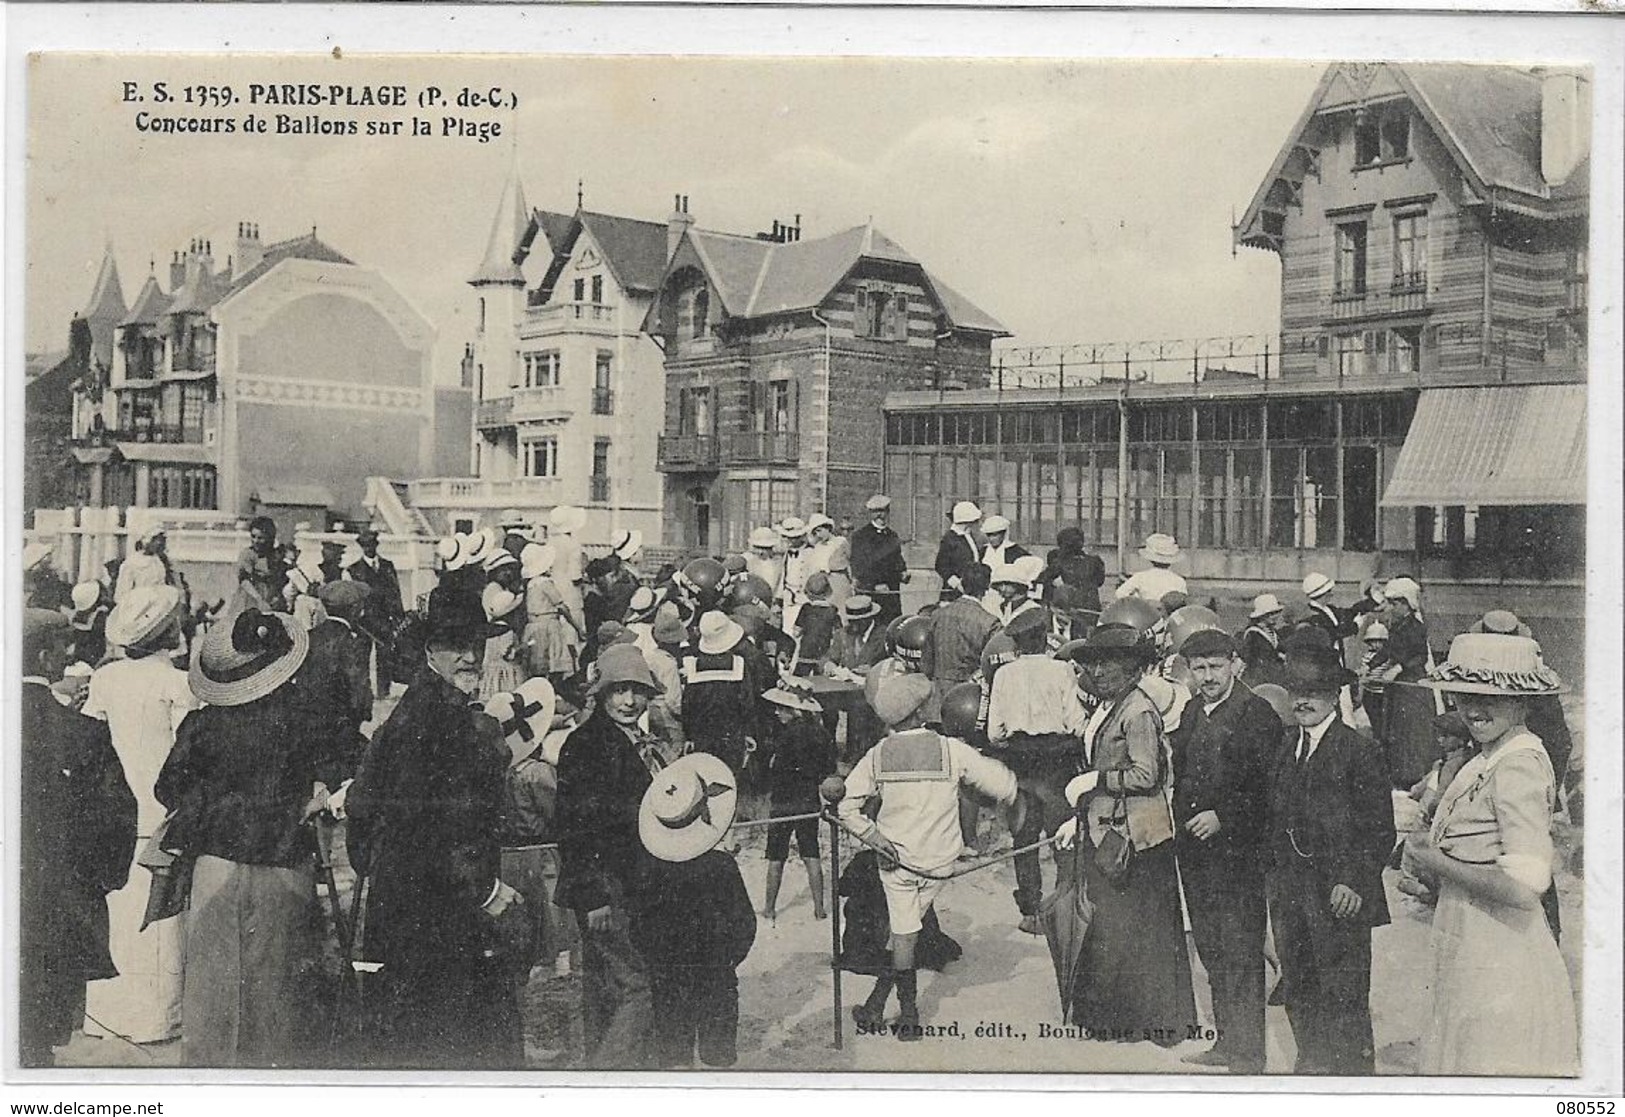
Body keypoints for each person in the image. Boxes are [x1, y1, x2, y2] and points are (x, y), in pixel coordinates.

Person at [344, 587, 526, 1069]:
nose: (470, 656)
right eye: (453, 645)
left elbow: (366, 817)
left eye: (476, 643)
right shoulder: (430, 719)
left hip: (422, 903)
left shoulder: (436, 708)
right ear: (428, 650)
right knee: (447, 1040)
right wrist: (485, 890)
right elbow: (420, 826)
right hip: (434, 910)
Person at [157, 607, 347, 1067]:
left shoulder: (202, 725)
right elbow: (342, 773)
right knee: (278, 984)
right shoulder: (306, 720)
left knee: (212, 981)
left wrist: (215, 803)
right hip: (284, 862)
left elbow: (167, 788)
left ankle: (208, 1080)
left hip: (216, 865)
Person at [1405, 635, 1577, 1075]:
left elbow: (1524, 888)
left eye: (1492, 698)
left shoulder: (1518, 763)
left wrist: (1435, 862)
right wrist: (1433, 885)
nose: (1475, 709)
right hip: (1473, 939)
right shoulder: (1489, 756)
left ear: (1522, 701)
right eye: (1466, 695)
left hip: (1501, 954)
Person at [838, 672, 1021, 1040]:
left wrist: (874, 837)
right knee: (904, 933)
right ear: (921, 711)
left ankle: (908, 1015)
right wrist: (1016, 797)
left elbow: (846, 806)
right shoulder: (950, 749)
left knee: (904, 933)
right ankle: (878, 1007)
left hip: (897, 860)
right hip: (940, 861)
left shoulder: (877, 756)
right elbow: (1001, 784)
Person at [1054, 625, 1197, 1047]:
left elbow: (1146, 774)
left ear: (1132, 668)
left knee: (1138, 932)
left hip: (1137, 837)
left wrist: (1095, 780)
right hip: (1111, 828)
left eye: (1108, 663)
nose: (1097, 670)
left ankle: (1150, 1022)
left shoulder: (1137, 711)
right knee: (1116, 930)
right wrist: (1080, 811)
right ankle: (1116, 1018)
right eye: (1094, 662)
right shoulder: (1114, 704)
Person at [1264, 646, 1394, 1075]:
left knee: (1343, 992)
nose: (1303, 700)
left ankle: (1352, 1082)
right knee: (1299, 985)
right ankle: (1312, 1067)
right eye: (1296, 690)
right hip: (1291, 892)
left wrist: (1352, 882)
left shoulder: (1359, 751)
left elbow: (1379, 831)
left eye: (1315, 691)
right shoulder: (1287, 746)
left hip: (1340, 897)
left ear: (1335, 693)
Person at [79, 586, 199, 1046]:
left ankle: (106, 1014)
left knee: (118, 911)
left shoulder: (107, 680)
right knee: (159, 919)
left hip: (116, 811)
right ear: (170, 632)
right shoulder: (177, 683)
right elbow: (184, 757)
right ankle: (155, 1019)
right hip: (161, 812)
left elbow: (95, 740)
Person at [19, 610, 138, 1068]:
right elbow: (115, 822)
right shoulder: (83, 733)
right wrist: (94, 884)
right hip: (55, 906)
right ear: (48, 655)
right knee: (37, 1037)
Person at [1168, 629, 1279, 1074]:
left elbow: (1270, 789)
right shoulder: (1195, 710)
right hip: (1197, 855)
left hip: (1238, 856)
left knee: (1241, 952)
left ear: (1235, 664)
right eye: (1199, 668)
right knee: (1213, 950)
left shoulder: (1258, 714)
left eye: (1216, 666)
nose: (1208, 676)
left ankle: (1249, 1056)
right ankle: (1227, 1044)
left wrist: (1224, 817)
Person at [553, 644, 664, 1067]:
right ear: (600, 694)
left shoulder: (626, 738)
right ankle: (607, 1077)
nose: (629, 701)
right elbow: (574, 828)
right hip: (605, 886)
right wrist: (594, 895)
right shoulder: (587, 745)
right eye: (618, 691)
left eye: (637, 691)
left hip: (625, 881)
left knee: (603, 987)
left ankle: (604, 1068)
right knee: (637, 987)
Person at [635, 754, 757, 1068]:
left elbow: (638, 927)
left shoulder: (648, 869)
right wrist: (729, 959)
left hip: (667, 975)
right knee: (718, 1054)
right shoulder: (721, 866)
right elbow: (745, 922)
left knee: (674, 1053)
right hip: (716, 971)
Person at [983, 607, 1090, 933]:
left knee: (1023, 836)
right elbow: (1076, 724)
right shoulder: (1062, 671)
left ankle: (1030, 911)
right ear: (1045, 638)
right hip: (1056, 761)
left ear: (1016, 645)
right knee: (1062, 835)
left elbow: (994, 732)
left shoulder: (1004, 674)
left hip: (1020, 760)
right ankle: (1062, 905)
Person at [759, 677, 837, 921]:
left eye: (781, 708)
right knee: (811, 854)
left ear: (794, 710)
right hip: (808, 800)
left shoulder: (785, 736)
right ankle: (819, 908)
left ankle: (770, 908)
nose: (777, 712)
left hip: (783, 800)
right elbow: (828, 769)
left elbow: (775, 768)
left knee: (776, 856)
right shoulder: (822, 734)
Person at [922, 563, 999, 725]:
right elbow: (991, 666)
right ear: (985, 589)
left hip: (937, 698)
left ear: (963, 585)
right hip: (969, 701)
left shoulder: (938, 614)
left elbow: (927, 661)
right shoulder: (989, 622)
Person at [344, 524, 405, 696]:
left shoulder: (387, 565)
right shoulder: (353, 569)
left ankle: (383, 691)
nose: (369, 547)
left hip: (384, 618)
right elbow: (352, 597)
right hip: (364, 620)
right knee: (362, 655)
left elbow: (395, 591)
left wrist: (398, 616)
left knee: (385, 654)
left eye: (372, 544)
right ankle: (363, 691)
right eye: (366, 545)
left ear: (376, 545)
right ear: (361, 547)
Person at [520, 543, 583, 688]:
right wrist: (577, 628)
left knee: (537, 662)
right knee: (554, 664)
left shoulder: (530, 585)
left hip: (533, 627)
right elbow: (561, 606)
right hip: (549, 626)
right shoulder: (546, 583)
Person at [850, 495, 909, 624]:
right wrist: (874, 585)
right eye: (876, 512)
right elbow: (859, 565)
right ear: (870, 513)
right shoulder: (861, 536)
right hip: (872, 593)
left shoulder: (892, 535)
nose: (880, 515)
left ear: (888, 512)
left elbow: (897, 559)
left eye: (883, 511)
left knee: (892, 624)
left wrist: (903, 572)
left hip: (892, 592)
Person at [1367, 576, 1430, 683]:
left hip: (1412, 680)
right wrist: (1369, 666)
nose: (1391, 608)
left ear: (1407, 604)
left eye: (1394, 604)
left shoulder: (1416, 627)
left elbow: (1421, 656)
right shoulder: (1397, 626)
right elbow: (1387, 650)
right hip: (1396, 679)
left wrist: (1399, 668)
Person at [1038, 526, 1106, 620]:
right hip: (1092, 609)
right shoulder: (1095, 561)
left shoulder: (1060, 562)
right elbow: (1100, 581)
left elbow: (1041, 579)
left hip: (1071, 610)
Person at [236, 516, 291, 611]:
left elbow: (278, 579)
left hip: (270, 594)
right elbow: (244, 581)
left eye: (260, 538)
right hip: (251, 594)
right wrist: (259, 600)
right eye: (253, 536)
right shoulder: (248, 554)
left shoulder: (275, 555)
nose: (255, 541)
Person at [1300, 573, 1356, 666]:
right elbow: (1332, 633)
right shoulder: (1313, 614)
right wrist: (1355, 626)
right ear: (1322, 594)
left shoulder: (1329, 609)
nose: (1331, 594)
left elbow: (1348, 613)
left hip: (1337, 653)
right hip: (1325, 658)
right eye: (1329, 591)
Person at [791, 571, 841, 676]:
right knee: (821, 680)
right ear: (828, 592)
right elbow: (838, 633)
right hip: (823, 651)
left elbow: (796, 632)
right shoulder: (832, 610)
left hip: (806, 652)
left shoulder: (806, 608)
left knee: (799, 679)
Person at [1115, 533, 1187, 603]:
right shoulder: (1179, 581)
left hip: (1146, 613)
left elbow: (1120, 593)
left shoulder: (1140, 577)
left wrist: (1137, 599)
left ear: (1150, 560)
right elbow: (1182, 601)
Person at [933, 501, 983, 603]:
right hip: (954, 592)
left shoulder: (967, 536)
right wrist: (956, 583)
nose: (976, 523)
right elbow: (941, 566)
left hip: (969, 588)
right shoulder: (950, 539)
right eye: (974, 521)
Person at [1240, 593, 1287, 688]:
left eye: (1276, 613)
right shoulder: (1253, 634)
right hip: (1259, 679)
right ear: (1261, 616)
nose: (1275, 617)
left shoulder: (1274, 633)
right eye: (1270, 614)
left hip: (1273, 677)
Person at [115, 525, 173, 602]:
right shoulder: (131, 563)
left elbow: (162, 587)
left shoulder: (158, 562)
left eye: (162, 542)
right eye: (157, 541)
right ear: (148, 541)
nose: (161, 545)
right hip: (136, 605)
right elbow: (121, 594)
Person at [807, 513, 853, 606]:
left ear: (828, 528)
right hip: (823, 584)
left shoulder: (840, 542)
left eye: (820, 531)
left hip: (839, 582)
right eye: (815, 533)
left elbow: (850, 560)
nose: (818, 535)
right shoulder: (818, 546)